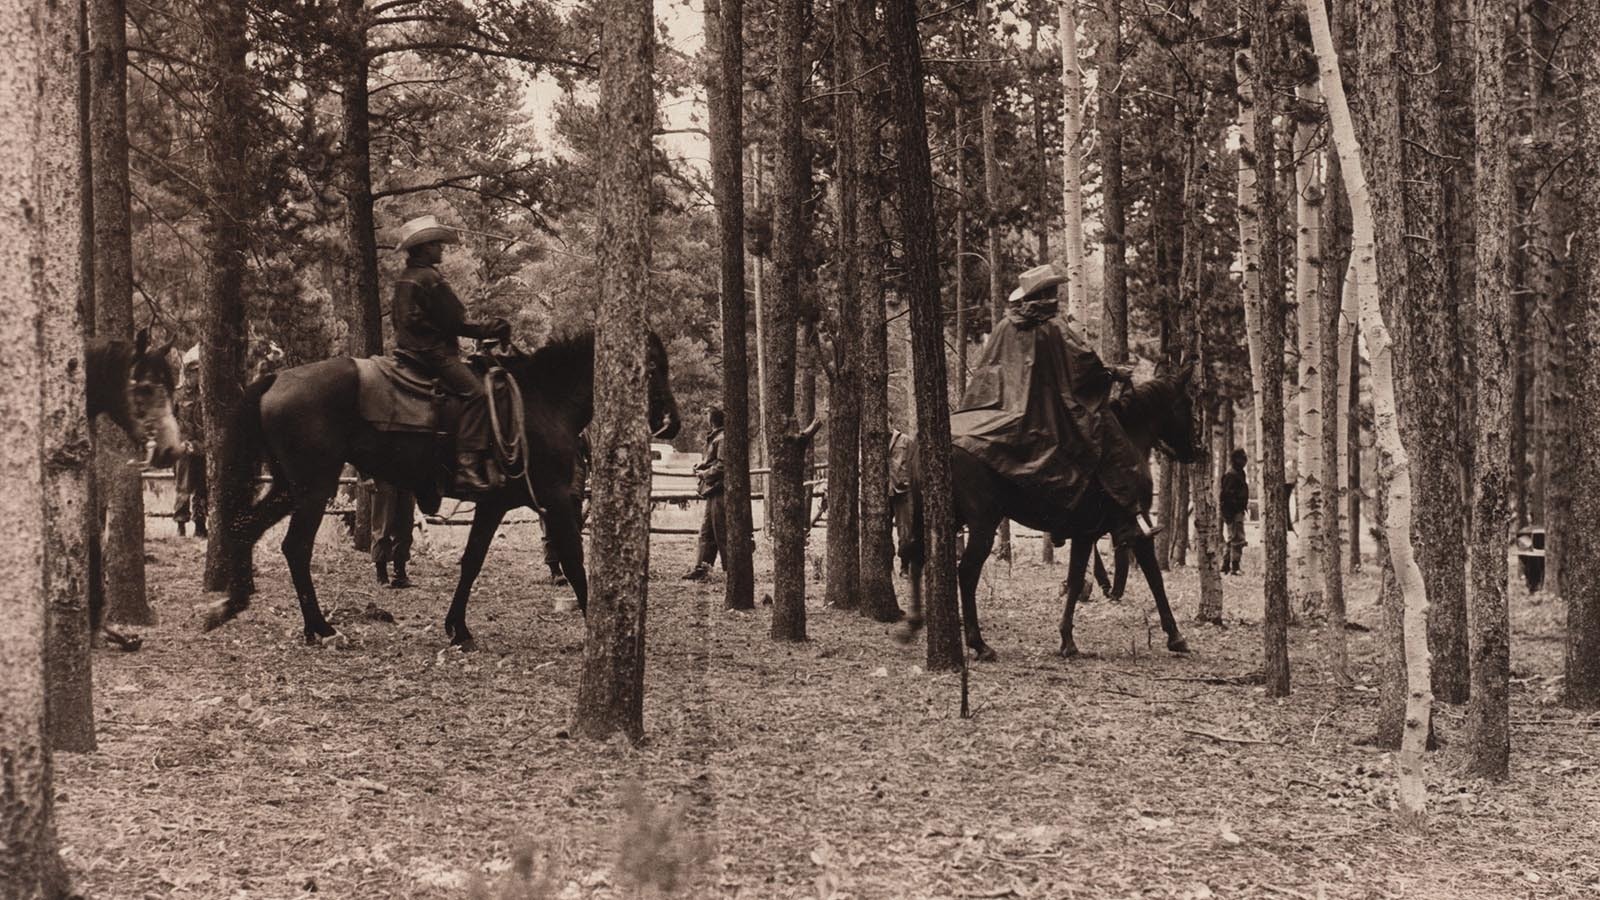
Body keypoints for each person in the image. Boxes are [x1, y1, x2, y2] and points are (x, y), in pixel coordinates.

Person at [954, 263, 1157, 546]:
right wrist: (1112, 373)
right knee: (1112, 439)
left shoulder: (1003, 327)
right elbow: (1085, 366)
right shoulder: (1055, 327)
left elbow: (990, 373)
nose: (1057, 296)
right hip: (1048, 413)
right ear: (1047, 294)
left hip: (1004, 409)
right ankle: (1127, 519)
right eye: (1054, 291)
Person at [391, 214, 511, 493]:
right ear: (423, 248)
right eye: (436, 244)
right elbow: (456, 323)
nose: (441, 248)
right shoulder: (430, 278)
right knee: (477, 394)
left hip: (408, 351)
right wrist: (492, 328)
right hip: (433, 354)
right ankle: (467, 467)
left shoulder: (405, 278)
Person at [683, 407, 728, 581]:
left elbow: (722, 466)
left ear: (713, 419)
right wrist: (701, 466)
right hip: (712, 491)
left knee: (721, 532)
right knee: (707, 532)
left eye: (707, 416)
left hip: (720, 490)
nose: (706, 419)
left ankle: (731, 571)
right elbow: (713, 461)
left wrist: (705, 474)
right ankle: (702, 568)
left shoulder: (722, 438)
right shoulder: (715, 437)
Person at [172, 346, 208, 538]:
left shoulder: (206, 396)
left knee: (202, 487)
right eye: (195, 373)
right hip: (183, 448)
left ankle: (200, 525)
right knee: (183, 486)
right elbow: (170, 421)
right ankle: (180, 524)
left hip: (202, 447)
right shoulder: (177, 395)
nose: (198, 377)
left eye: (200, 373)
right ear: (188, 373)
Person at [372, 480, 416, 588]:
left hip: (405, 479)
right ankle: (381, 575)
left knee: (406, 526)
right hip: (383, 478)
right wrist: (366, 477)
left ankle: (400, 574)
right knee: (383, 525)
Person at [1220, 448, 1249, 574]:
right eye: (1242, 459)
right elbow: (1227, 495)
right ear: (1235, 459)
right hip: (1232, 512)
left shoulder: (1239, 472)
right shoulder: (1231, 474)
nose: (1244, 461)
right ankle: (1235, 567)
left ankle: (1226, 565)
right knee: (1237, 538)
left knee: (1232, 537)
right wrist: (1235, 509)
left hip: (1236, 510)